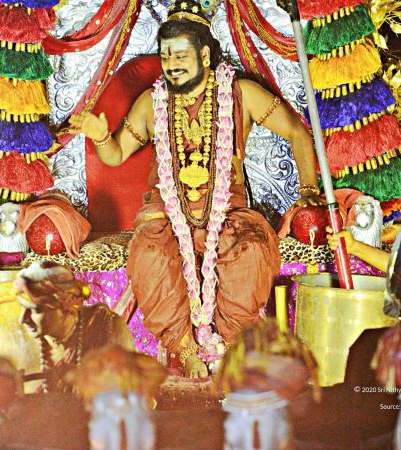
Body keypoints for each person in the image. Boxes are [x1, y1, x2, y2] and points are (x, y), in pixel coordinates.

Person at [68, 0, 322, 377]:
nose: (171, 64)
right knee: (150, 255)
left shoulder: (241, 93)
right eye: (166, 55)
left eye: (180, 54)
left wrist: (309, 189)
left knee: (251, 250)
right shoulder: (152, 102)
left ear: (204, 54)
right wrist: (101, 136)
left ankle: (231, 345)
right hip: (165, 217)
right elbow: (116, 154)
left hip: (228, 214)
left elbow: (297, 131)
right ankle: (186, 349)